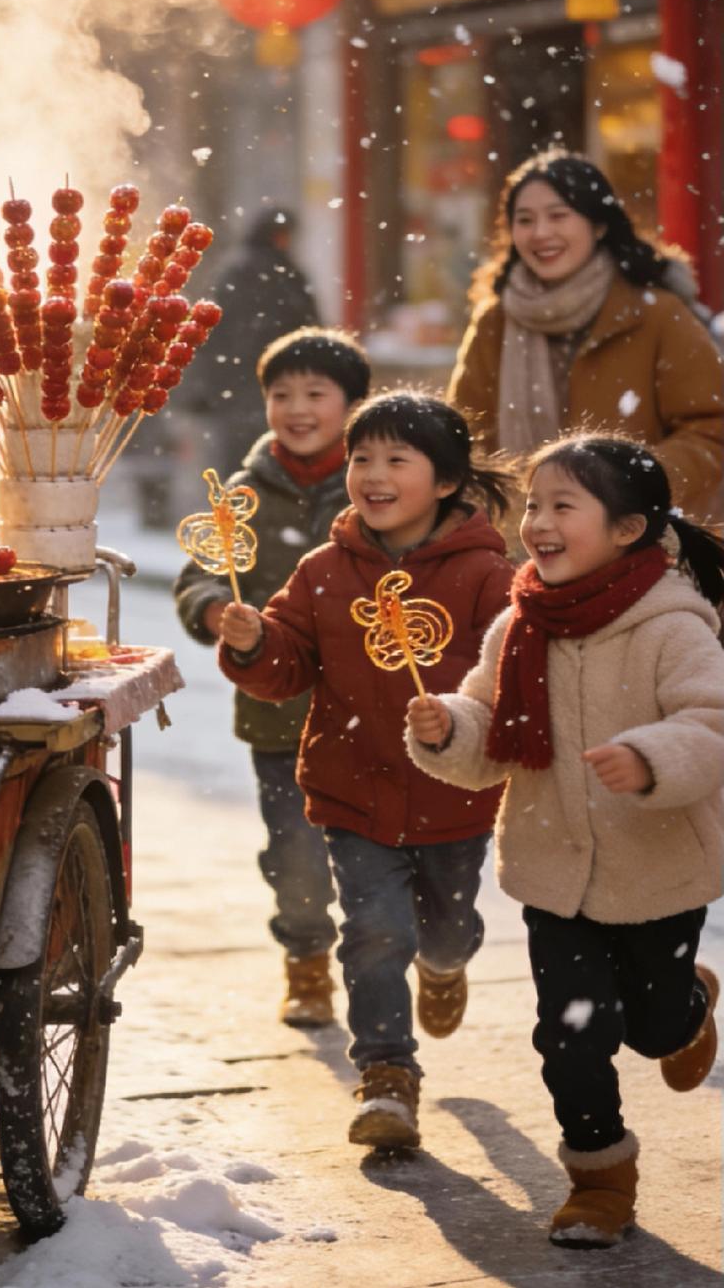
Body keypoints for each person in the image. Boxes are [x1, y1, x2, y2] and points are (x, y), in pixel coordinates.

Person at [406, 436, 724, 1249]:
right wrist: (449, 726)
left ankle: (689, 1004)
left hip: (658, 871)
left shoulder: (675, 626)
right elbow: (488, 726)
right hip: (553, 871)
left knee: (653, 1026)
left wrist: (650, 757)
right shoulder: (520, 624)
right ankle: (598, 1177)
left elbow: (712, 722)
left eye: (563, 506)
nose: (538, 523)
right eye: (535, 505)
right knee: (570, 1032)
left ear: (627, 529)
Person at [216, 391, 515, 1150]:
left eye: (395, 460)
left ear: (446, 481)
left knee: (444, 933)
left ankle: (445, 967)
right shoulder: (323, 570)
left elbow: (510, 680)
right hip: (352, 790)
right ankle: (386, 1076)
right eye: (361, 458)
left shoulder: (488, 574)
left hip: (453, 798)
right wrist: (255, 643)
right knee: (374, 932)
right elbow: (288, 665)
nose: (373, 475)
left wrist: (458, 721)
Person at [174, 327, 370, 1028]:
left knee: (381, 859)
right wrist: (213, 609)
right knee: (296, 853)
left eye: (316, 393)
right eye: (281, 394)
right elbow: (198, 576)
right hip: (278, 713)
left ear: (353, 404)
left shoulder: (380, 486)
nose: (298, 408)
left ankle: (392, 962)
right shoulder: (243, 493)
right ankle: (308, 962)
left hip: (373, 716)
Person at [449, 149, 724, 522]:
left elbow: (711, 429)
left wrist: (627, 487)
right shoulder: (495, 321)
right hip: (522, 538)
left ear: (599, 225)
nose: (541, 233)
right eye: (525, 219)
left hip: (637, 536)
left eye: (558, 215)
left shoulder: (657, 314)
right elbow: (462, 440)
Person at [180, 204, 319, 480]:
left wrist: (201, 386)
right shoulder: (287, 274)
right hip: (276, 383)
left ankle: (236, 504)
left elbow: (207, 331)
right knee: (275, 459)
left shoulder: (232, 272)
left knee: (238, 464)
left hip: (235, 385)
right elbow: (310, 328)